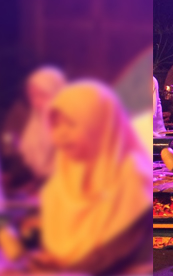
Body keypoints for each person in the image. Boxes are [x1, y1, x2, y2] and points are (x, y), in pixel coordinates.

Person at [31, 81, 151, 274]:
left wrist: (60, 265)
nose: (61, 134)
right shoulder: (62, 179)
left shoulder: (133, 175)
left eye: (71, 124)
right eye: (56, 125)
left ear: (100, 124)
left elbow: (116, 251)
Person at [0, 66, 66, 194]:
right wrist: (11, 150)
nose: (36, 102)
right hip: (32, 179)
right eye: (32, 96)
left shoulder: (68, 122)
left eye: (42, 95)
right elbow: (9, 136)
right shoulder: (25, 113)